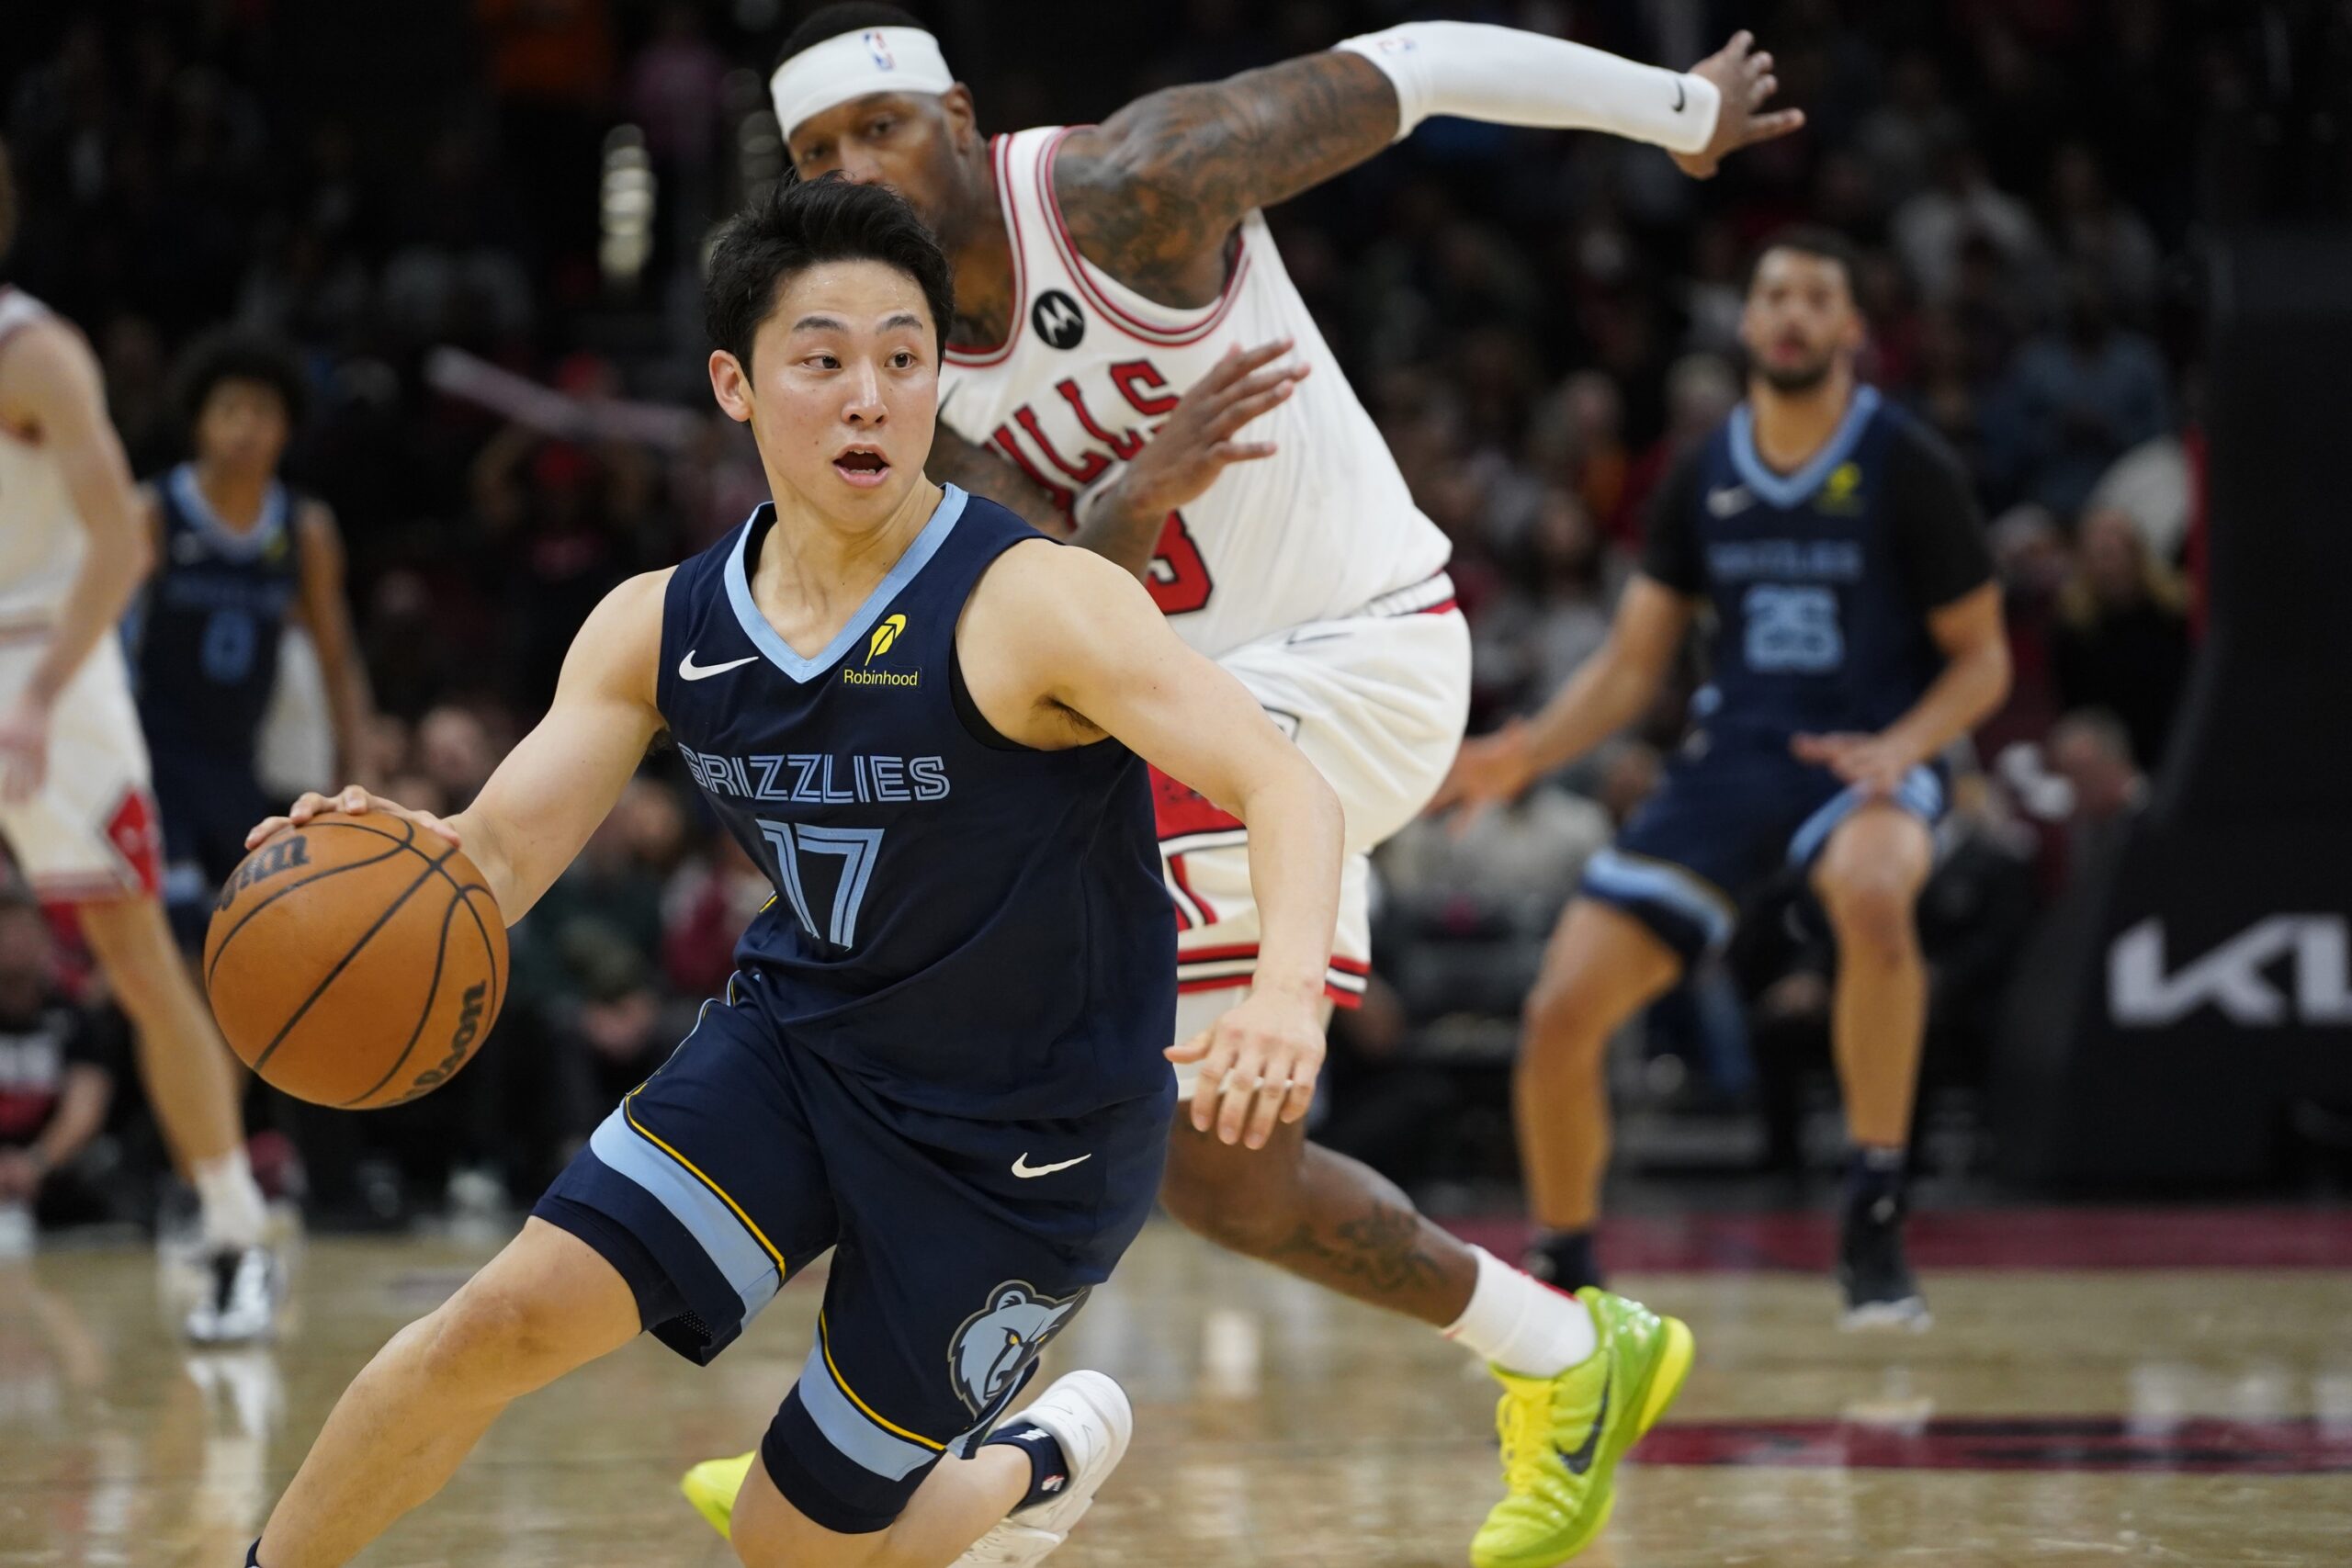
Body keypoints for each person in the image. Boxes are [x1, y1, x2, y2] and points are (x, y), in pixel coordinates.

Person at [688, 11, 1795, 1561]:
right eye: (818, 154)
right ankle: (1570, 1353)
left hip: (1359, 662)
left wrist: (1675, 109)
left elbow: (1409, 67)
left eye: (879, 128)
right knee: (1224, 1175)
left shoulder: (1125, 189)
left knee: (973, 897)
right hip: (1200, 714)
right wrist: (1127, 508)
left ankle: (894, 1445)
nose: (854, 167)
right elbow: (1064, 603)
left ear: (956, 112)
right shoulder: (909, 382)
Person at [233, 175, 1351, 1568]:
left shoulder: (1034, 602)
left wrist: (1286, 996)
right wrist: (395, 858)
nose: (869, 396)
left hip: (1027, 1139)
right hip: (801, 1051)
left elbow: (1281, 780)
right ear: (735, 384)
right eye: (822, 359)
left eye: (903, 357)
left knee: (791, 1540)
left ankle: (1025, 1464)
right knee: (497, 1323)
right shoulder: (663, 624)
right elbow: (501, 848)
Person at [1435, 229, 2011, 1329]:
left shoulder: (1906, 462)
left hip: (1863, 758)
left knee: (1876, 891)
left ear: (1849, 327)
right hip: (1734, 758)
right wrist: (1521, 753)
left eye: (1817, 297)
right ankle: (1565, 1270)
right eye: (1774, 295)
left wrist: (1909, 743)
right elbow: (1630, 666)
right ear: (1747, 325)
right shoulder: (1703, 469)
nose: (1793, 314)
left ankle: (1874, 1208)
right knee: (1560, 1008)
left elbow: (1982, 658)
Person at [0, 140, 277, 1341]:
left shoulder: (35, 351)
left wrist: (37, 694)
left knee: (138, 964)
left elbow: (125, 547)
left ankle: (233, 1230)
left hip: (47, 662)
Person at [131, 328, 375, 950]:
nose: (245, 427)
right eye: (229, 409)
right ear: (198, 422)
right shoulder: (155, 513)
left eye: (262, 412)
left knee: (251, 946)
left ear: (287, 429)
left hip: (241, 765)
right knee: (176, 940)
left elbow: (336, 657)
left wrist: (358, 767)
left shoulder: (304, 529)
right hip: (154, 761)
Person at [0, 884, 122, 1239]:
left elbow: (85, 1109)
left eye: (22, 929)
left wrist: (33, 1165)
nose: (13, 942)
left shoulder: (75, 1019)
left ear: (46, 939)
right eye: (4, 930)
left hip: (51, 1171)